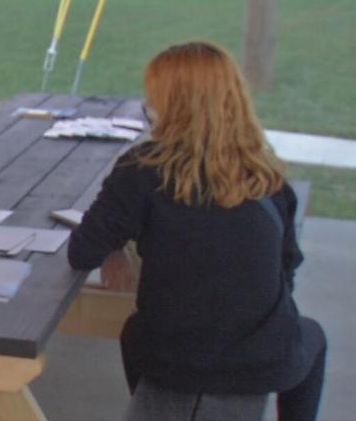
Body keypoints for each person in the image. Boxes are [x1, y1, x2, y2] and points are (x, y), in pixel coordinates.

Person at [68, 42, 326, 421]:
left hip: (174, 356)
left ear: (168, 107)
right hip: (260, 359)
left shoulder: (142, 170)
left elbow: (81, 252)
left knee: (134, 331)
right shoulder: (266, 175)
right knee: (313, 336)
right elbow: (286, 271)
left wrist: (114, 248)